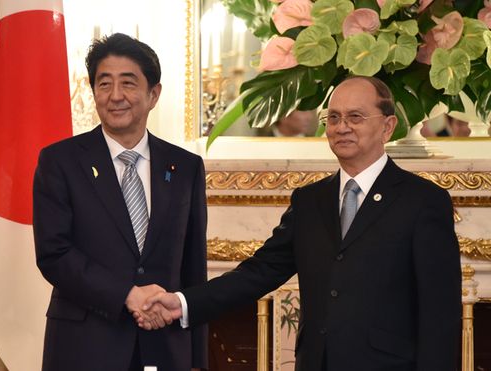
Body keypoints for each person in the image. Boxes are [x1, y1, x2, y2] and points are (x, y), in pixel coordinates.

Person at [138, 76, 462, 371]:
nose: (341, 127)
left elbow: (440, 316)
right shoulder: (309, 201)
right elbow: (258, 273)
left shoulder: (422, 201)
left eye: (355, 117)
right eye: (333, 118)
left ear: (388, 127)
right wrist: (181, 303)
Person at [33, 33, 208, 371]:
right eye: (104, 84)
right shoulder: (60, 162)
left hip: (165, 346)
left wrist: (196, 357)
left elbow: (193, 269)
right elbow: (54, 254)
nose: (115, 96)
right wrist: (128, 294)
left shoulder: (185, 167)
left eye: (128, 83)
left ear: (153, 94)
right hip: (83, 347)